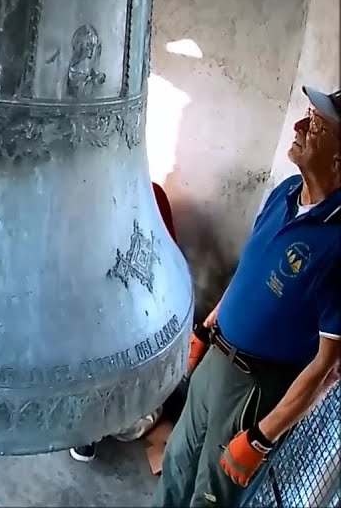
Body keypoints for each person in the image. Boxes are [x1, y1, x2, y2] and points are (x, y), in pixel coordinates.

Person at [153, 86, 341, 507]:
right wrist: (207, 327)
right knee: (178, 463)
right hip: (217, 360)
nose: (298, 126)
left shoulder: (337, 241)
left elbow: (328, 366)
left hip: (257, 389)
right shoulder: (286, 193)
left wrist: (261, 436)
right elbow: (248, 276)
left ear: (338, 158)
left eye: (316, 125)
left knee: (211, 495)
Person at [69, 181, 181, 462]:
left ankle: (91, 423)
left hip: (135, 305)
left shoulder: (151, 196)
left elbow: (164, 258)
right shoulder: (92, 200)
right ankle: (90, 423)